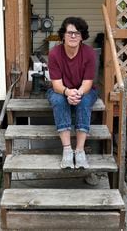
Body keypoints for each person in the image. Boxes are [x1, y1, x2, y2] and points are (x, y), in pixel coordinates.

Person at [46, 17, 98, 169]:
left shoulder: (89, 53)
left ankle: (80, 151)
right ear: (63, 35)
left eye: (77, 33)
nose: (73, 36)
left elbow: (88, 82)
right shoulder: (54, 53)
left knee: (85, 101)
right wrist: (68, 92)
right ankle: (67, 150)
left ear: (82, 36)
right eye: (69, 33)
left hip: (84, 90)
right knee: (58, 100)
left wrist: (78, 94)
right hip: (61, 90)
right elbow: (56, 84)